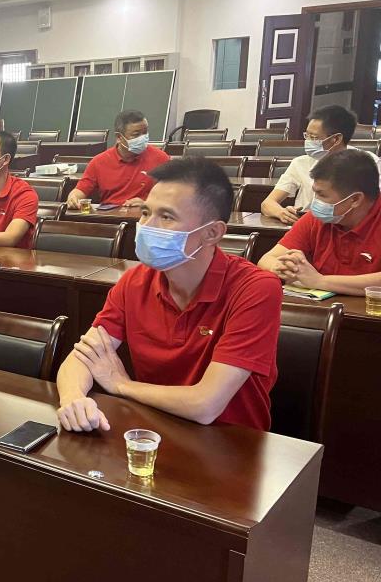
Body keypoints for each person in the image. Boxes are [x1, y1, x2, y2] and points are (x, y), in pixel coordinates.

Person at [57, 157, 281, 433]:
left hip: (230, 441)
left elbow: (205, 405)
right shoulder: (134, 282)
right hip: (151, 430)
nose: (147, 226)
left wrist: (121, 385)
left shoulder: (256, 288)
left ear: (212, 233)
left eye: (166, 217)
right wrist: (73, 399)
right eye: (145, 212)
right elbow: (82, 357)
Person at [257, 149, 381, 294]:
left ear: (355, 199)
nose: (315, 201)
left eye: (321, 195)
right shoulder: (317, 218)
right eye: (314, 193)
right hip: (320, 306)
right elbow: (267, 259)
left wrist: (319, 281)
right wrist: (283, 267)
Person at [260, 105, 381, 224]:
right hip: (304, 224)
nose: (308, 141)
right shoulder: (300, 163)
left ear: (336, 139)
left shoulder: (367, 164)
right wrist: (282, 213)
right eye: (307, 135)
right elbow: (267, 203)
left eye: (314, 137)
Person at [65, 110, 170, 210]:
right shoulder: (99, 162)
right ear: (119, 137)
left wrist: (148, 204)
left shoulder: (161, 158)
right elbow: (80, 190)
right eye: (136, 135)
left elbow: (172, 197)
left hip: (145, 216)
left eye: (145, 133)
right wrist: (73, 197)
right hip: (109, 217)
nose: (142, 138)